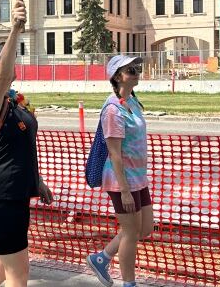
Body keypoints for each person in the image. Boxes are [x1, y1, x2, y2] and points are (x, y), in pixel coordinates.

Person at [0, 0, 54, 287]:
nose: (12, 63)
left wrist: (37, 180)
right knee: (19, 273)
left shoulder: (13, 102)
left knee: (3, 267)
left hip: (14, 193)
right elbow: (4, 74)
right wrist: (16, 28)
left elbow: (22, 147)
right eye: (4, 59)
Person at [86, 55, 152, 287]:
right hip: (121, 181)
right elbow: (114, 153)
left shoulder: (132, 101)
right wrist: (124, 190)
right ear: (117, 77)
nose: (136, 72)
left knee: (144, 229)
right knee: (131, 234)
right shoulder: (112, 110)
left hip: (138, 178)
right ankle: (128, 283)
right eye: (130, 70)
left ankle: (101, 258)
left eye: (136, 68)